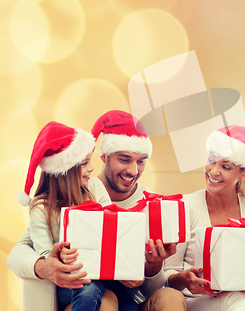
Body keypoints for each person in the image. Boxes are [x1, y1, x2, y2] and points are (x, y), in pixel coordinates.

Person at [7, 110, 185, 311]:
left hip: (120, 287)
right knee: (102, 298)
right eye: (125, 159)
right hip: (82, 285)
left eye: (141, 160)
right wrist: (45, 264)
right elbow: (18, 253)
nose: (134, 171)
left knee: (145, 299)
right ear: (104, 156)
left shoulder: (151, 206)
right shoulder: (49, 205)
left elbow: (149, 287)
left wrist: (148, 268)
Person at [141, 125, 245, 311]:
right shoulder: (185, 206)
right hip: (188, 301)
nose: (213, 171)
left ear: (243, 174)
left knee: (240, 298)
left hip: (236, 300)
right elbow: (167, 276)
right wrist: (184, 279)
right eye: (211, 160)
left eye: (225, 167)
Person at [21, 121, 115, 311]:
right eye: (84, 164)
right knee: (87, 286)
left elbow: (113, 225)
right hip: (69, 280)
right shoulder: (40, 208)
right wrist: (60, 256)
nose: (91, 168)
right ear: (65, 172)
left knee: (128, 304)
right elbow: (47, 256)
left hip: (102, 272)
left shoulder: (94, 188)